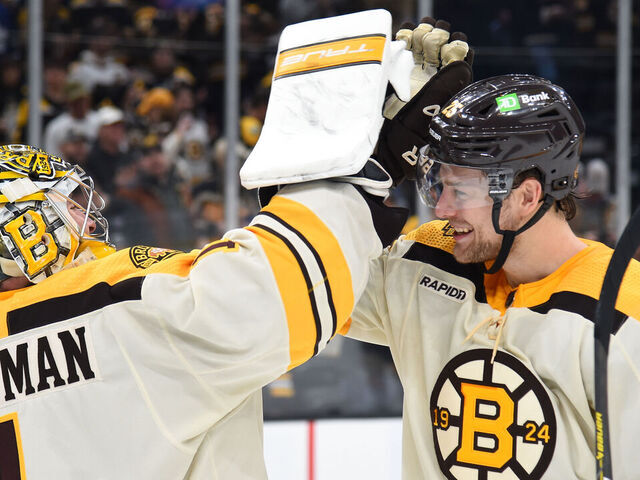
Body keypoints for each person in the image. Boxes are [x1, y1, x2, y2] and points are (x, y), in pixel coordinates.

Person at [0, 10, 470, 479]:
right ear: (19, 230)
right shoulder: (108, 305)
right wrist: (364, 166)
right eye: (69, 205)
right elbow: (273, 292)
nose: (86, 216)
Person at [347, 71, 640, 478]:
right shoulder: (425, 257)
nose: (442, 209)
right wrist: (360, 165)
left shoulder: (625, 311)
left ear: (526, 195)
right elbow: (308, 288)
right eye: (438, 186)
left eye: (461, 192)